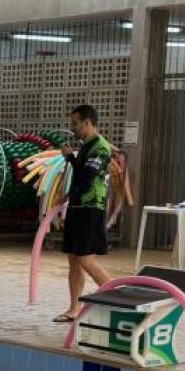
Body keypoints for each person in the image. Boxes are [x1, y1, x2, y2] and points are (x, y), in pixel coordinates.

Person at [55, 104, 114, 324]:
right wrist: (68, 196)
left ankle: (119, 299)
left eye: (75, 123)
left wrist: (70, 158)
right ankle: (74, 309)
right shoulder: (86, 146)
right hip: (77, 208)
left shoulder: (100, 147)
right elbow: (80, 181)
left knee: (86, 260)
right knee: (74, 261)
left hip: (91, 209)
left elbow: (87, 177)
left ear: (87, 122)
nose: (73, 128)